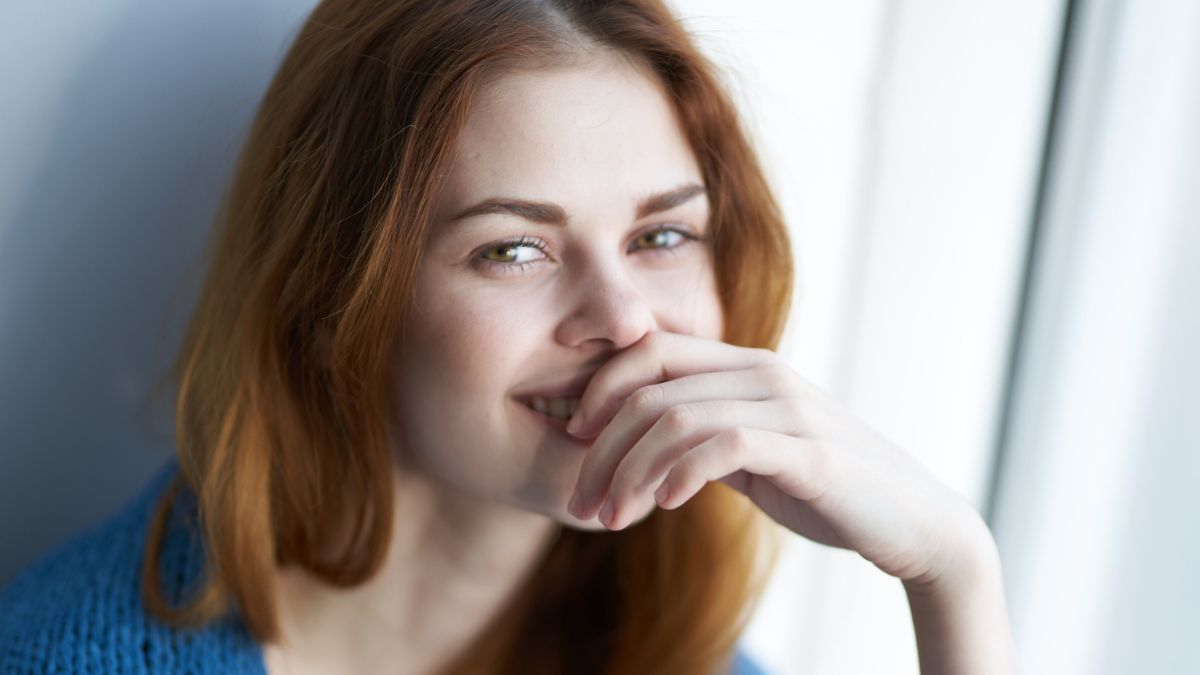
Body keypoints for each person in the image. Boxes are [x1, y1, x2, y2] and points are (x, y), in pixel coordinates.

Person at [0, 0, 1018, 673]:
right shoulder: (74, 652)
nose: (625, 319)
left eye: (662, 234)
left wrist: (952, 572)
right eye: (514, 251)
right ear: (337, 294)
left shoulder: (681, 660)